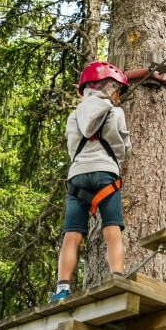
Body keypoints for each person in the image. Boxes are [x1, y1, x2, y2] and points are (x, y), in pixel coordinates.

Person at [50, 61, 132, 301]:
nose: (117, 97)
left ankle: (61, 289)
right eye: (116, 91)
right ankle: (117, 276)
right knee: (112, 229)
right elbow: (124, 147)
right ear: (108, 88)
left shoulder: (73, 116)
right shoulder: (116, 112)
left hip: (77, 176)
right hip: (105, 174)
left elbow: (71, 147)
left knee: (72, 235)